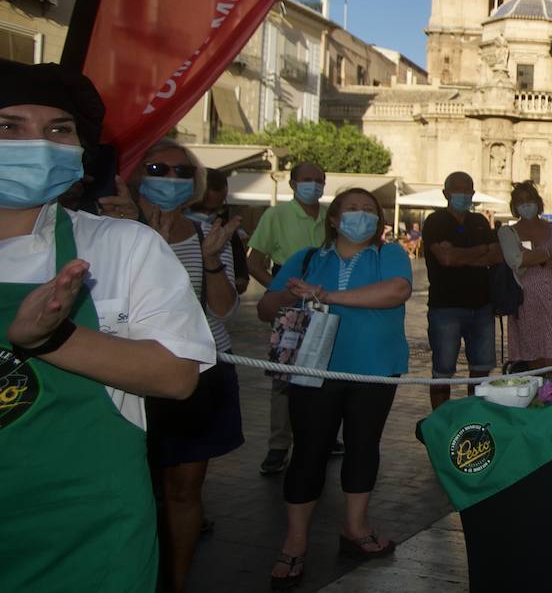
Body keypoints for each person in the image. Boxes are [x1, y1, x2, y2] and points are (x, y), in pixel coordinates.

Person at [0, 61, 215, 593]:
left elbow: (176, 374)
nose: (37, 144)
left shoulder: (120, 246)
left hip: (87, 535)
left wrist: (53, 337)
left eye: (58, 130)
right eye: (10, 127)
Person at [257, 187, 412, 589]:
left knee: (364, 446)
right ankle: (295, 541)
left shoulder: (389, 254)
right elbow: (264, 308)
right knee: (309, 450)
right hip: (314, 373)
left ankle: (356, 527)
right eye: (352, 209)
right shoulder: (309, 259)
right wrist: (290, 297)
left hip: (375, 371)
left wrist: (327, 296)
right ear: (333, 218)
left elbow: (396, 291)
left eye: (369, 211)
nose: (362, 216)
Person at [123, 140, 244, 593]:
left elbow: (226, 308)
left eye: (180, 172)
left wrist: (212, 261)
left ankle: (176, 581)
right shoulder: (113, 228)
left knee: (185, 487)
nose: (170, 178)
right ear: (138, 173)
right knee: (133, 483)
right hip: (131, 370)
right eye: (158, 168)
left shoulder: (205, 233)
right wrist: (148, 241)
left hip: (200, 368)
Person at [247, 161, 327, 475]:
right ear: (293, 183)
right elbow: (254, 261)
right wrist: (278, 290)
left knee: (323, 366)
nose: (313, 185)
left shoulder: (328, 218)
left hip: (322, 297)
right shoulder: (276, 215)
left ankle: (322, 435)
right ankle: (279, 444)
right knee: (284, 374)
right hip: (289, 299)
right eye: (307, 180)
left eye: (318, 180)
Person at [422, 171, 503, 407]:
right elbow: (446, 259)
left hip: (482, 306)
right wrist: (480, 251)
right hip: (445, 307)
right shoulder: (435, 221)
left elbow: (496, 255)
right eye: (458, 189)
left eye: (468, 189)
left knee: (481, 369)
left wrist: (459, 254)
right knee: (442, 370)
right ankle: (440, 419)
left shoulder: (478, 221)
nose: (464, 194)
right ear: (446, 193)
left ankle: (474, 416)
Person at [497, 181, 552, 371]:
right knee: (534, 360)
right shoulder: (507, 232)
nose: (526, 204)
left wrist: (532, 258)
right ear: (514, 206)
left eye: (529, 199)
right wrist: (548, 254)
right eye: (520, 201)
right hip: (526, 303)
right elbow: (515, 260)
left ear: (537, 201)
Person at [189, 167, 250, 294]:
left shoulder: (227, 232)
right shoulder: (166, 229)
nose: (206, 215)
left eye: (215, 209)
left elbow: (241, 280)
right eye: (200, 209)